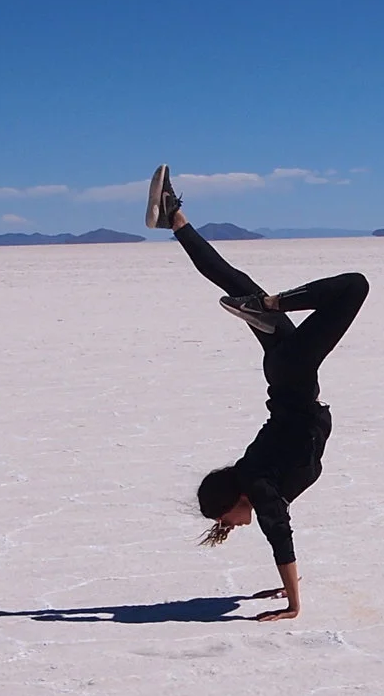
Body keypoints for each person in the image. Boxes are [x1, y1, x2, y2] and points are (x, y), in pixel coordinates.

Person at [148, 165, 368, 622]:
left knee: (354, 287)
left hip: (295, 375)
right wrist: (286, 585)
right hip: (282, 375)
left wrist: (293, 605)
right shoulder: (254, 471)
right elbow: (279, 538)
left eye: (224, 520)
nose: (230, 527)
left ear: (232, 502)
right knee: (235, 280)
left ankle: (268, 306)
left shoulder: (262, 490)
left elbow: (280, 539)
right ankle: (175, 218)